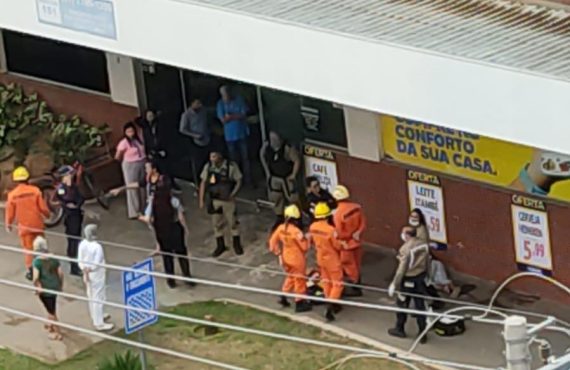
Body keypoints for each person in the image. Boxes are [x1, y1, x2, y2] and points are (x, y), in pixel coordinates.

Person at [143, 183, 194, 289]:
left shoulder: (153, 202)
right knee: (181, 254)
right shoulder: (174, 201)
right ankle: (187, 278)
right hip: (175, 229)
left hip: (162, 231)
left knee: (167, 257)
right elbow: (180, 216)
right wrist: (186, 228)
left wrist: (154, 227)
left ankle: (171, 281)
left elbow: (148, 218)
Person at [5, 166, 50, 280]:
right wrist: (47, 215)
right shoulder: (35, 191)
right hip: (37, 225)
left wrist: (8, 224)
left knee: (28, 249)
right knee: (40, 246)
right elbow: (43, 208)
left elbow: (10, 212)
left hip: (24, 227)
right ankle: (43, 268)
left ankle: (31, 271)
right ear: (27, 178)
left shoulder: (13, 195)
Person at [387, 226, 430, 343]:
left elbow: (401, 269)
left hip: (408, 280)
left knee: (402, 304)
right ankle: (422, 333)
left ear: (407, 235)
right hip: (420, 277)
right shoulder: (423, 244)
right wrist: (428, 275)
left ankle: (399, 328)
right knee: (420, 306)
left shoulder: (405, 249)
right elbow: (428, 260)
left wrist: (394, 284)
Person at [199, 151, 244, 257]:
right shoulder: (209, 167)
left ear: (220, 155)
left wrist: (234, 194)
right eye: (210, 156)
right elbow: (203, 182)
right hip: (215, 200)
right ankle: (220, 245)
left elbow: (239, 180)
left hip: (228, 200)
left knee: (233, 222)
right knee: (216, 224)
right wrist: (201, 199)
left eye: (214, 156)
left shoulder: (230, 166)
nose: (212, 159)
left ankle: (236, 244)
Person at [268, 205, 312, 313]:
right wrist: (308, 239)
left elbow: (272, 243)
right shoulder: (296, 232)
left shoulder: (281, 228)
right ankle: (299, 303)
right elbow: (305, 247)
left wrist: (278, 253)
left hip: (285, 257)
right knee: (299, 280)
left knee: (290, 277)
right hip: (297, 259)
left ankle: (283, 296)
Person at [309, 202, 343, 322]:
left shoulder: (312, 227)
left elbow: (312, 241)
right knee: (337, 283)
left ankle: (330, 302)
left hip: (320, 258)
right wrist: (342, 244)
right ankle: (331, 305)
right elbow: (337, 246)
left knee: (326, 282)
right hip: (332, 259)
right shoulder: (330, 230)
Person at [260, 131, 301, 230]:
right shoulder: (267, 148)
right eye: (271, 139)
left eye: (275, 139)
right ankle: (279, 218)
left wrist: (294, 174)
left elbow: (297, 160)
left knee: (293, 198)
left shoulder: (287, 148)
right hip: (274, 178)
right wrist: (267, 173)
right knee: (276, 198)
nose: (274, 141)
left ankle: (297, 219)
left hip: (286, 178)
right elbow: (262, 157)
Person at [78, 224, 114, 331]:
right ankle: (99, 323)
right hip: (96, 273)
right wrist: (91, 269)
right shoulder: (97, 247)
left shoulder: (82, 244)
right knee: (98, 296)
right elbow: (97, 262)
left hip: (87, 272)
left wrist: (84, 269)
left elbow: (80, 259)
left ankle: (96, 315)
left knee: (91, 295)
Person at [332, 185, 367, 297]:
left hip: (346, 244)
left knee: (349, 266)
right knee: (357, 264)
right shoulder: (357, 207)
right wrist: (357, 233)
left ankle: (355, 287)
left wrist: (346, 237)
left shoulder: (338, 214)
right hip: (357, 241)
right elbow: (363, 222)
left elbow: (340, 232)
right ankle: (357, 285)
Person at [135, 110, 181, 192]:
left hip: (161, 150)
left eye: (151, 115)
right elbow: (137, 121)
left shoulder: (160, 125)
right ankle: (156, 187)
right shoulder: (145, 127)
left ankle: (172, 185)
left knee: (167, 169)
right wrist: (148, 152)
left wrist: (165, 150)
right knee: (155, 170)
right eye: (148, 116)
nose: (150, 117)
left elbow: (165, 137)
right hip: (152, 151)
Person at [216, 85, 252, 185]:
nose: (226, 98)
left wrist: (231, 116)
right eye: (224, 96)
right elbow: (223, 120)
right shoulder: (220, 104)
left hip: (242, 133)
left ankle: (248, 181)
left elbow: (244, 113)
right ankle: (236, 181)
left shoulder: (239, 99)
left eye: (227, 95)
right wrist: (236, 116)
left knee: (246, 158)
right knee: (233, 161)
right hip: (229, 137)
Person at [32, 236, 64, 341]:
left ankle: (57, 332)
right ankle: (50, 324)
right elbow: (60, 273)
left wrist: (36, 286)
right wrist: (60, 285)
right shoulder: (53, 258)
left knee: (51, 311)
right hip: (54, 286)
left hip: (45, 289)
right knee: (51, 307)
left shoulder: (37, 262)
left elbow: (35, 277)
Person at [55, 165, 84, 276]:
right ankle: (73, 266)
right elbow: (65, 201)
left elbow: (81, 198)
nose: (71, 176)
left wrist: (77, 204)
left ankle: (76, 264)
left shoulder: (74, 186)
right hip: (70, 217)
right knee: (72, 242)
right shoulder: (62, 189)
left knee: (76, 240)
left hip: (77, 215)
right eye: (69, 175)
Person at [115, 122, 146, 219]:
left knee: (142, 186)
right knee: (132, 187)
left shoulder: (138, 140)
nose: (130, 133)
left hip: (141, 162)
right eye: (128, 132)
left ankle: (144, 208)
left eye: (132, 131)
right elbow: (117, 156)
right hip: (130, 164)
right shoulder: (124, 142)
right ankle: (134, 211)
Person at [180, 98, 211, 185]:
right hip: (194, 142)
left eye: (200, 103)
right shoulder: (186, 115)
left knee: (207, 162)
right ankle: (197, 182)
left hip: (206, 139)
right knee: (197, 163)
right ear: (192, 103)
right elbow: (182, 129)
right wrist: (194, 135)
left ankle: (208, 180)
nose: (199, 105)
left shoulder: (204, 111)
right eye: (197, 103)